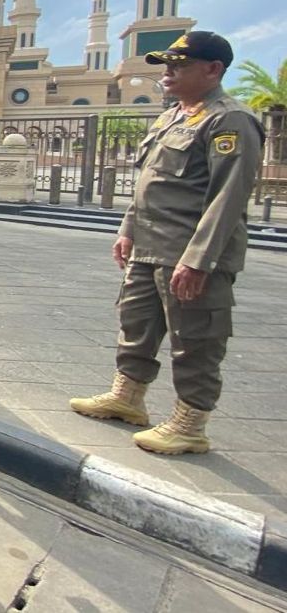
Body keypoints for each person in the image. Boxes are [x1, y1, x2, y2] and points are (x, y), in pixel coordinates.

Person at [71, 32, 264, 455]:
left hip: (190, 253)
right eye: (166, 65)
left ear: (212, 69)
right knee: (135, 326)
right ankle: (128, 398)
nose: (168, 73)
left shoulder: (229, 120)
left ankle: (190, 422)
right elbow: (149, 184)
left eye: (180, 65)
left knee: (195, 338)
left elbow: (228, 198)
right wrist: (127, 230)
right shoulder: (172, 117)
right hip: (149, 247)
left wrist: (199, 260)